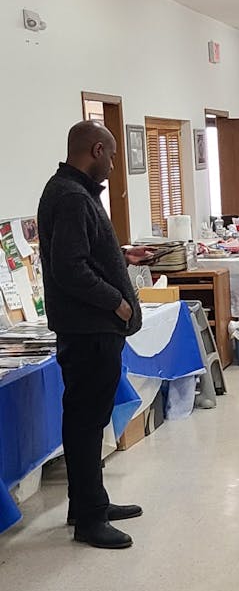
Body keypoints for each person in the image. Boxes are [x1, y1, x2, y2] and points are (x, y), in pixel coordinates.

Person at [37, 121, 156, 549]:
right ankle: (89, 518)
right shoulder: (70, 196)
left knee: (89, 419)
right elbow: (70, 269)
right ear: (96, 150)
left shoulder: (76, 192)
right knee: (86, 422)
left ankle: (88, 503)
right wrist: (117, 302)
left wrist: (120, 255)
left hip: (93, 329)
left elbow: (84, 251)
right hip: (89, 329)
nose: (115, 163)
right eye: (113, 153)